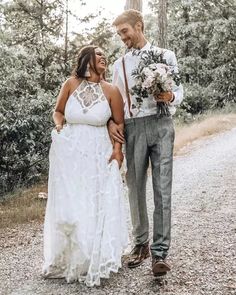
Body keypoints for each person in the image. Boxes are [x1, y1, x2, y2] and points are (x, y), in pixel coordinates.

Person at [42, 45, 128, 287]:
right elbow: (58, 112)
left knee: (92, 202)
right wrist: (59, 127)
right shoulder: (70, 84)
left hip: (98, 153)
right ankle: (69, 257)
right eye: (98, 53)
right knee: (71, 203)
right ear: (86, 59)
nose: (103, 57)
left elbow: (119, 126)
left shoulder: (112, 91)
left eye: (104, 55)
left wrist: (117, 153)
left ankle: (91, 257)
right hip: (71, 151)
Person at [109, 9, 184, 277]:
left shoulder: (166, 56)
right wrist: (112, 123)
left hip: (162, 123)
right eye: (119, 34)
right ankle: (140, 245)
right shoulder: (119, 64)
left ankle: (160, 253)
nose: (122, 38)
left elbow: (179, 90)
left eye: (125, 32)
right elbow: (115, 99)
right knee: (135, 186)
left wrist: (170, 96)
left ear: (138, 26)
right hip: (133, 127)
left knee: (163, 187)